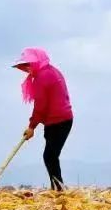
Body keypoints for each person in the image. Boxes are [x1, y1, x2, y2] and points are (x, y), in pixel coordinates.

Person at [14, 48, 73, 190]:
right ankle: (58, 188)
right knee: (51, 155)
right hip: (60, 120)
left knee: (50, 156)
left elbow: (40, 105)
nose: (27, 69)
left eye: (28, 65)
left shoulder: (42, 77)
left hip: (59, 121)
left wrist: (31, 127)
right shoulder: (52, 71)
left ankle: (58, 189)